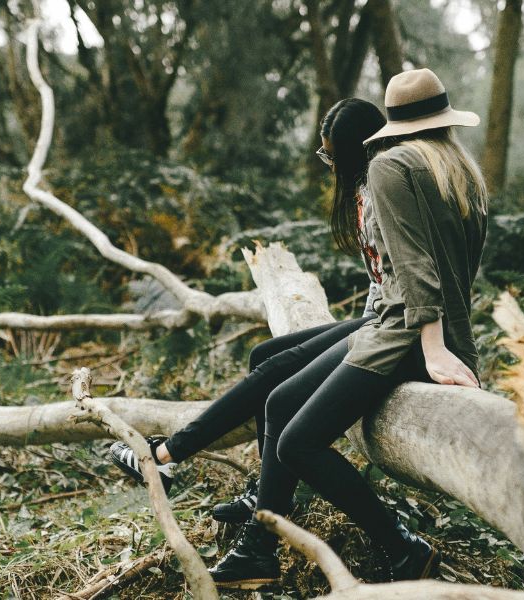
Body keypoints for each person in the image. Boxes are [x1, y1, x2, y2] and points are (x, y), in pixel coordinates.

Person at [208, 67, 488, 590]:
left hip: (407, 338)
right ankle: (261, 544)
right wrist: (449, 344)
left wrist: (433, 350)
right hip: (432, 335)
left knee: (297, 442)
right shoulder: (459, 168)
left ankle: (401, 546)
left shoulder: (391, 167)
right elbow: (455, 275)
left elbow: (416, 269)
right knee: (279, 401)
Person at [107, 98, 388, 525]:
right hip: (375, 317)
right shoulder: (368, 190)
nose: (327, 163)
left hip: (385, 328)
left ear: (352, 152)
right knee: (263, 355)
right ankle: (263, 489)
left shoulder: (385, 193)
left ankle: (166, 454)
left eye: (330, 155)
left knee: (280, 381)